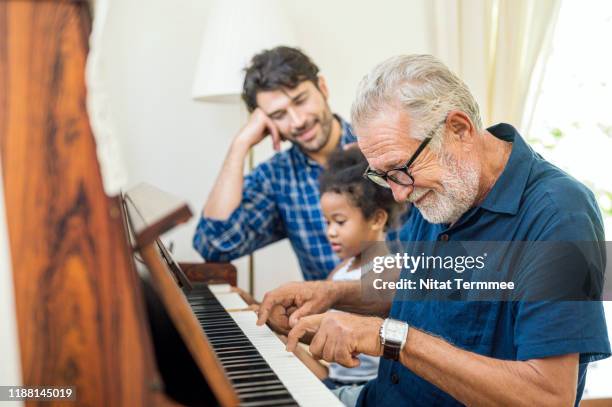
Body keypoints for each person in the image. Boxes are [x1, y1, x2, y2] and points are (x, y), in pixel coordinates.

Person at [256, 54, 611, 406]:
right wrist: (333, 293)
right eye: (383, 175)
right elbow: (426, 285)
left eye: (400, 170)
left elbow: (548, 398)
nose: (398, 193)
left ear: (458, 129)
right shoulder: (448, 189)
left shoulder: (559, 214)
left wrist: (389, 337)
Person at [193, 46, 403, 281]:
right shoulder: (277, 177)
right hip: (326, 316)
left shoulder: (379, 145)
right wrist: (239, 146)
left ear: (322, 88)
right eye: (278, 115)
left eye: (300, 100)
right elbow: (214, 245)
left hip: (412, 306)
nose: (298, 121)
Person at [318, 148, 404, 389]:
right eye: (327, 222)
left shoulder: (390, 271)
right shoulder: (339, 271)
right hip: (336, 378)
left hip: (368, 386)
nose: (330, 231)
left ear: (377, 219)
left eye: (340, 221)